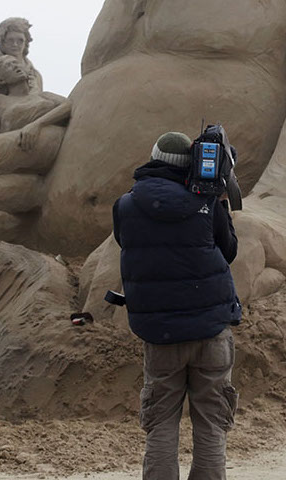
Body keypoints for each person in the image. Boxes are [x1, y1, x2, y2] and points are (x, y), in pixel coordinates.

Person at [112, 132, 241, 479]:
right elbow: (228, 251)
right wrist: (219, 202)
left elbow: (126, 241)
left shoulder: (126, 205)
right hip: (212, 330)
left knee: (161, 425)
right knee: (212, 426)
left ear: (153, 158)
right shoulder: (207, 202)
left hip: (161, 334)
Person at [0, 55, 71, 150]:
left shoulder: (43, 95)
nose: (15, 67)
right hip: (17, 149)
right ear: (1, 79)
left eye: (15, 63)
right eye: (8, 66)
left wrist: (37, 125)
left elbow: (67, 106)